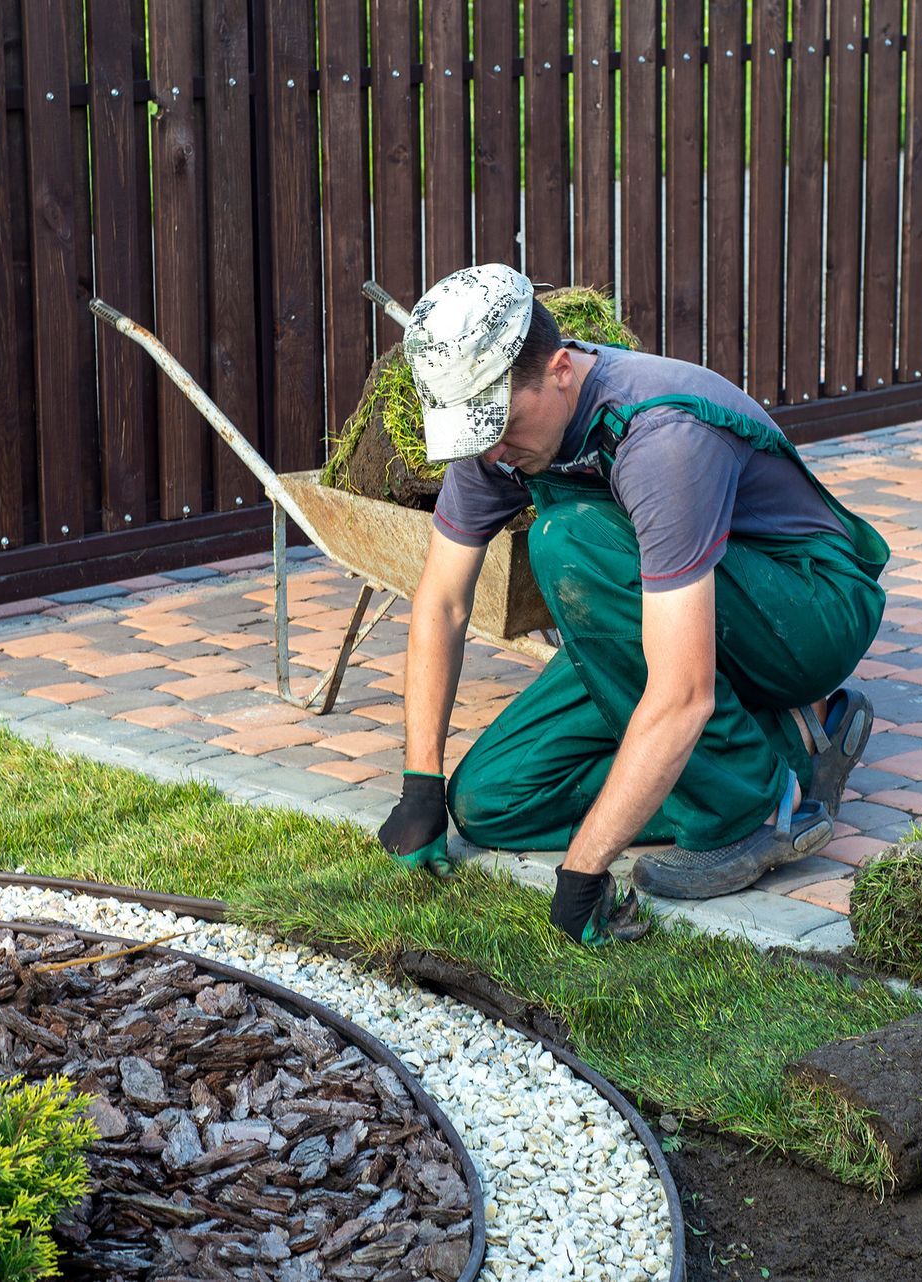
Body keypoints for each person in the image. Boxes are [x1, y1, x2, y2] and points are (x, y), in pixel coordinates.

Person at [373, 264, 889, 946]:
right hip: (679, 609)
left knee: (568, 542)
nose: (490, 450)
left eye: (499, 424)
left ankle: (757, 807)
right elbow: (441, 602)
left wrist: (584, 871)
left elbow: (681, 692)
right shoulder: (500, 443)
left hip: (808, 611)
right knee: (491, 799)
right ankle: (786, 750)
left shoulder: (659, 437)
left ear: (560, 369)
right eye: (474, 432)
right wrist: (420, 788)